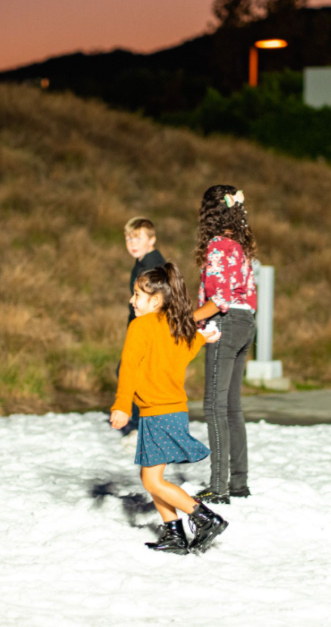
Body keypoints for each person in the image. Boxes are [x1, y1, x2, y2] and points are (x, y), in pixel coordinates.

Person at [110, 264, 229, 554]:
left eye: (136, 294)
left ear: (155, 300)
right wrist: (202, 338)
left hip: (158, 412)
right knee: (152, 478)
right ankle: (174, 534)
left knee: (152, 479)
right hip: (174, 411)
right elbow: (182, 354)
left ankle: (205, 518)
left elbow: (129, 368)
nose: (131, 300)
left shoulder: (140, 326)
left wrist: (122, 405)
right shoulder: (173, 325)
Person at [190, 185, 258, 504]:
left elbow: (219, 299)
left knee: (214, 407)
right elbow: (245, 292)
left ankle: (218, 486)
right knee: (232, 407)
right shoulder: (241, 246)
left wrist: (189, 319)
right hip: (246, 324)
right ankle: (239, 483)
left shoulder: (218, 245)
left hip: (225, 325)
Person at [118, 217, 167, 438]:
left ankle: (141, 425)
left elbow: (158, 301)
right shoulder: (142, 262)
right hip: (140, 325)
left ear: (152, 239)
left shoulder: (151, 265)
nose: (132, 243)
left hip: (148, 328)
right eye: (128, 238)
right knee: (128, 371)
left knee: (136, 374)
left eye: (138, 238)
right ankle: (139, 422)